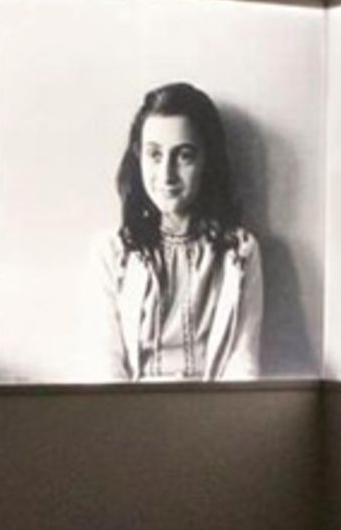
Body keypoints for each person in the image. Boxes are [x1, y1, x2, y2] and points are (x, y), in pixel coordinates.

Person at [95, 82, 262, 381]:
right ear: (138, 157)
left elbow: (243, 363)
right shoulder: (113, 252)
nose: (167, 175)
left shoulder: (239, 251)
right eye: (155, 155)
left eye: (184, 155)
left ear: (207, 160)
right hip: (131, 416)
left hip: (214, 416)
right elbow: (105, 368)